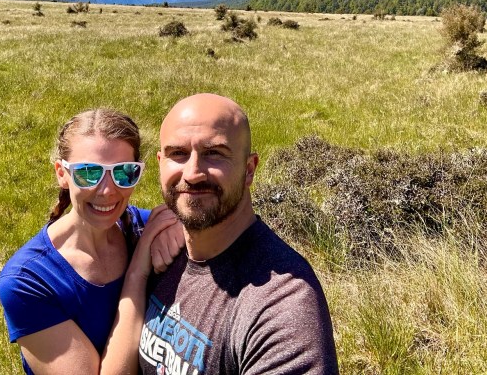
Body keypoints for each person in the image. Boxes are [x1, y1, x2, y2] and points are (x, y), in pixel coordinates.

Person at [138, 93, 339, 375]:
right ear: (160, 162)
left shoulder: (283, 303)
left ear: (249, 169)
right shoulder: (156, 243)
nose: (193, 173)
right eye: (178, 154)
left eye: (214, 153)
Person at [0, 108, 183, 375]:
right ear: (62, 173)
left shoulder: (148, 228)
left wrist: (177, 221)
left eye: (124, 173)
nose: (107, 190)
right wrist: (136, 274)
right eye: (89, 173)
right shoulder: (27, 281)